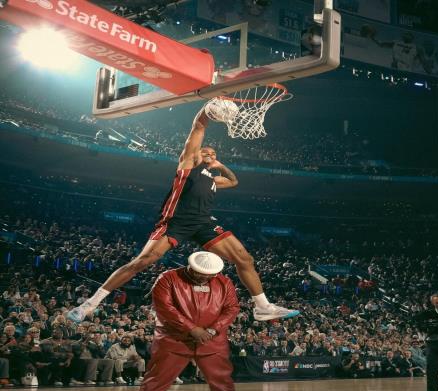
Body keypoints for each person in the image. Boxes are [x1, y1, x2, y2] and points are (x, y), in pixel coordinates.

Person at [67, 105, 298, 324]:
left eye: (213, 153)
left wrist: (219, 165)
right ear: (197, 153)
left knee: (245, 259)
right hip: (176, 221)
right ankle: (89, 304)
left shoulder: (212, 178)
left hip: (203, 223)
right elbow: (198, 127)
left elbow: (233, 181)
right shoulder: (188, 166)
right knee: (141, 262)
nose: (209, 154)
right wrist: (207, 111)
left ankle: (263, 307)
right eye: (206, 151)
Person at [118, 251, 265, 391]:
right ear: (191, 268)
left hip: (211, 339)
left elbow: (232, 308)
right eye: (201, 274)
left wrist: (213, 329)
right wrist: (192, 329)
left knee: (222, 382)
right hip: (174, 339)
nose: (205, 278)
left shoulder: (224, 282)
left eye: (209, 275)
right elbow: (165, 308)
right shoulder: (168, 278)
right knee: (156, 381)